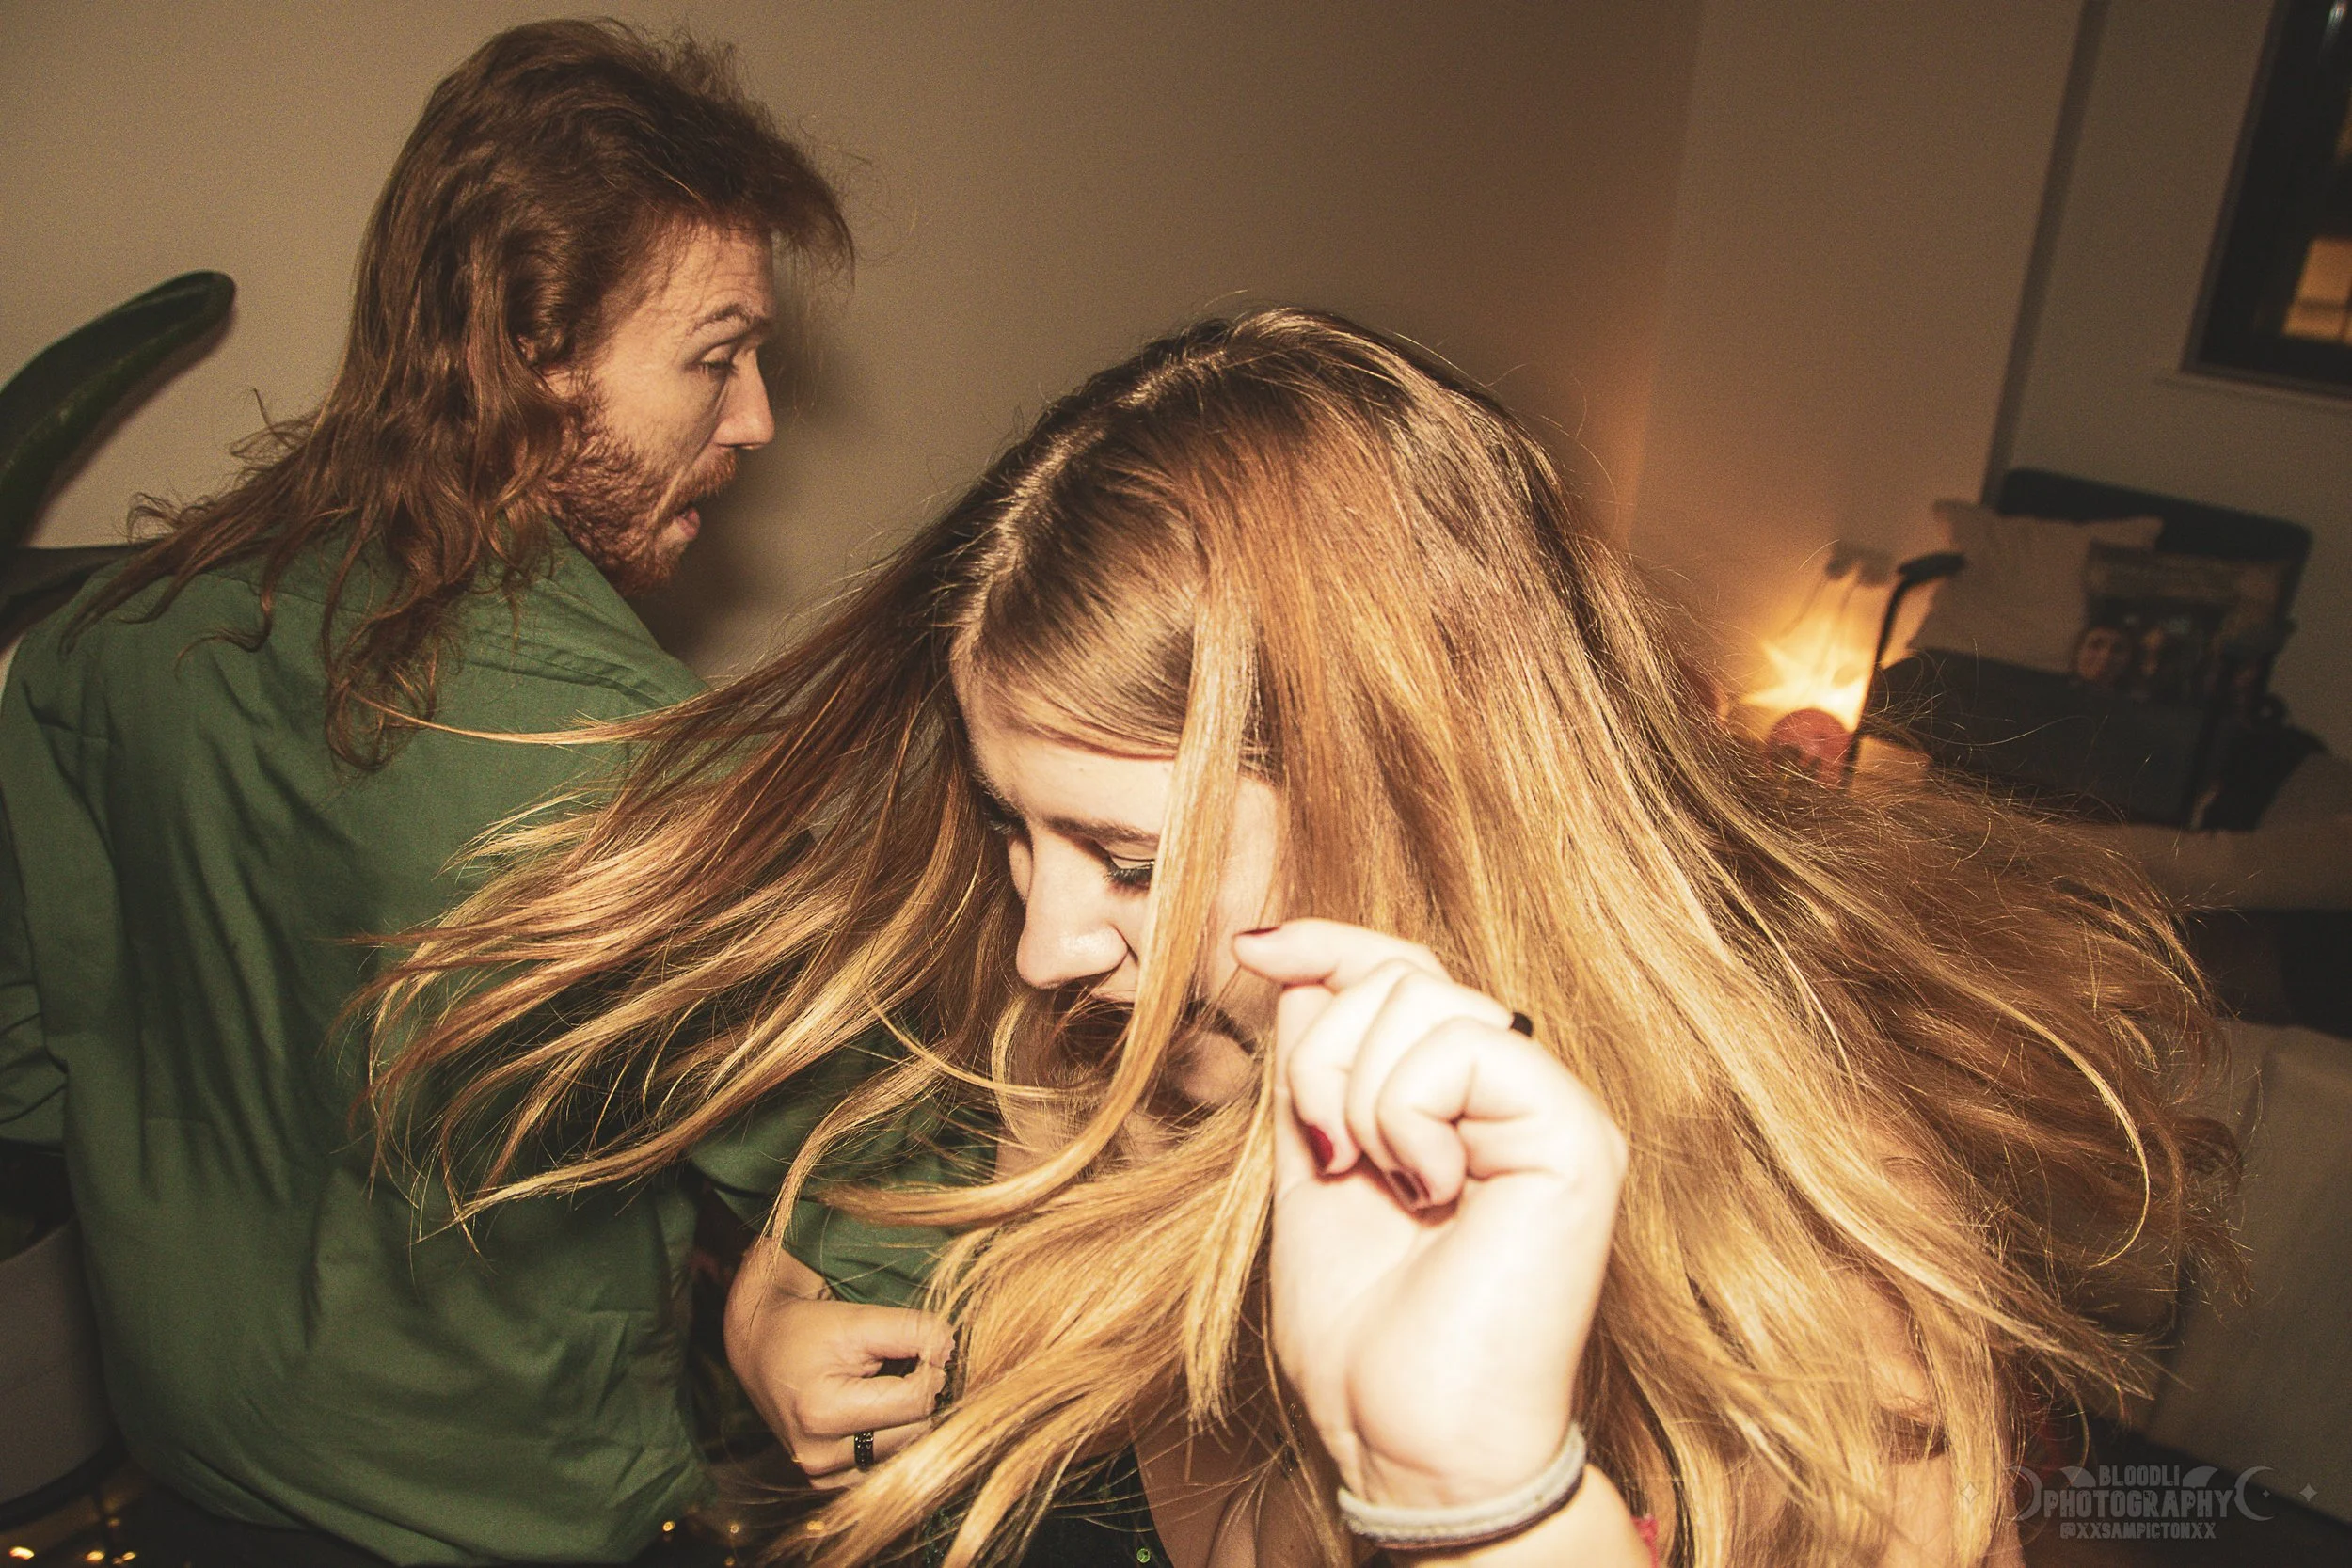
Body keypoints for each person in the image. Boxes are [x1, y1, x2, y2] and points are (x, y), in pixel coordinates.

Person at [372, 309, 2235, 1567]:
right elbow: (938, 1134)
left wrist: (1480, 1495)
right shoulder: (1146, 1007)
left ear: (1403, 799)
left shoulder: (1812, 1271)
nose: (1038, 938)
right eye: (1013, 827)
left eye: (1114, 849)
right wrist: (777, 1289)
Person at [0, 20, 861, 1565]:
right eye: (715, 355)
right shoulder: (620, 756)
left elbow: (31, 1066)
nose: (754, 420)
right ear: (533, 356)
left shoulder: (98, 647)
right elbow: (876, 1138)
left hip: (193, 1501)